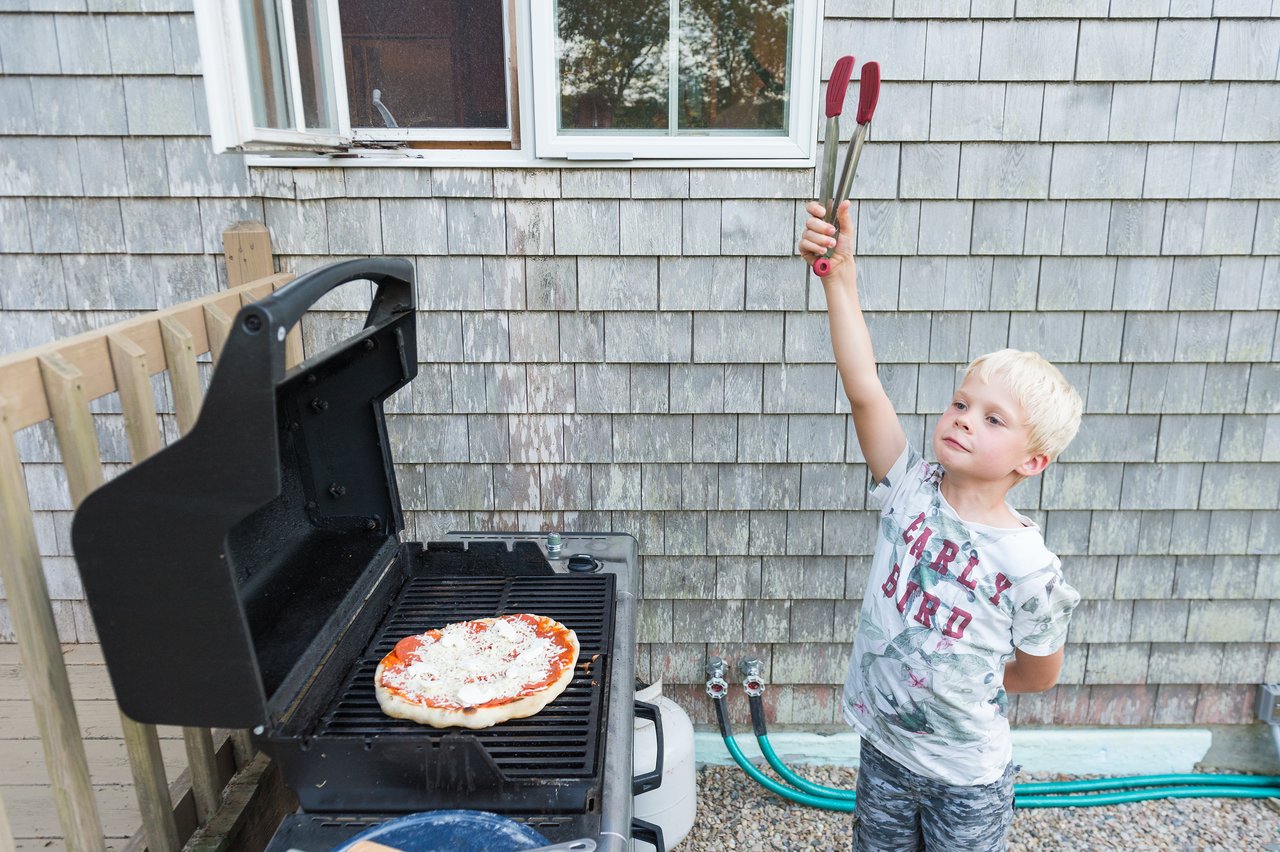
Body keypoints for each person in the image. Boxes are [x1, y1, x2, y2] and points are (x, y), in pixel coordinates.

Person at [798, 199, 1084, 851]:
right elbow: (864, 386)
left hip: (967, 779)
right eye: (962, 402)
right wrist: (840, 275)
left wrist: (967, 675)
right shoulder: (908, 486)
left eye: (993, 419)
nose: (962, 418)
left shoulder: (1029, 567)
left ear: (1032, 461)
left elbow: (1038, 672)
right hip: (885, 753)